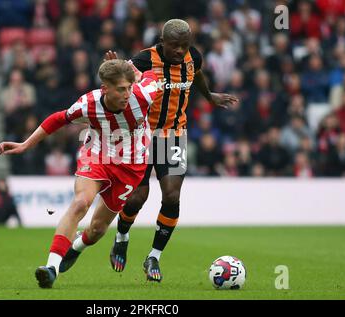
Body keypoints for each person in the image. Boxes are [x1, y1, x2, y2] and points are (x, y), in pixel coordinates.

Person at [62, 19, 238, 282]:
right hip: (141, 136)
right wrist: (115, 67)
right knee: (136, 198)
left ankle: (154, 255)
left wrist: (209, 95)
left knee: (171, 195)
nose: (180, 51)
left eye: (184, 45)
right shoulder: (144, 60)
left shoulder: (193, 58)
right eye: (174, 46)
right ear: (162, 42)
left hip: (174, 135)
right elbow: (120, 83)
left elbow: (197, 73)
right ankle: (122, 236)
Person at [0, 59, 158, 288]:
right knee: (81, 202)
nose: (127, 94)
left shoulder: (143, 95)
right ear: (105, 89)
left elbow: (159, 72)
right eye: (121, 89)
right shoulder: (89, 104)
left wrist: (138, 72)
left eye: (129, 88)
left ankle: (76, 247)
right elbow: (58, 119)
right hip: (97, 156)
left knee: (97, 230)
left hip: (131, 167)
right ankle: (51, 268)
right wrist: (26, 144)